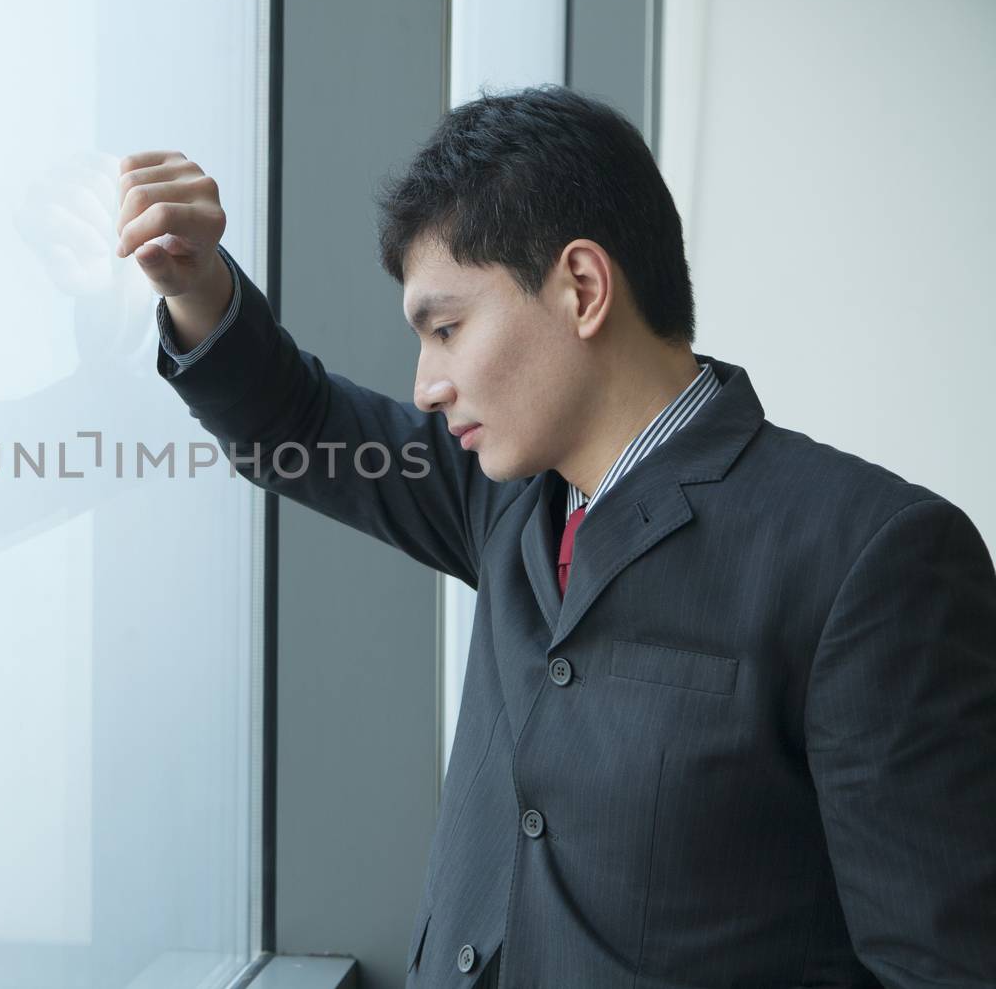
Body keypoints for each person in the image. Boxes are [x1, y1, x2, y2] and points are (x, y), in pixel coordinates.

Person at [113, 86, 996, 988]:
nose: (427, 384)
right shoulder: (501, 498)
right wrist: (196, 280)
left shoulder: (874, 557)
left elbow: (939, 967)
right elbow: (295, 424)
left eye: (448, 328)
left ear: (582, 288)